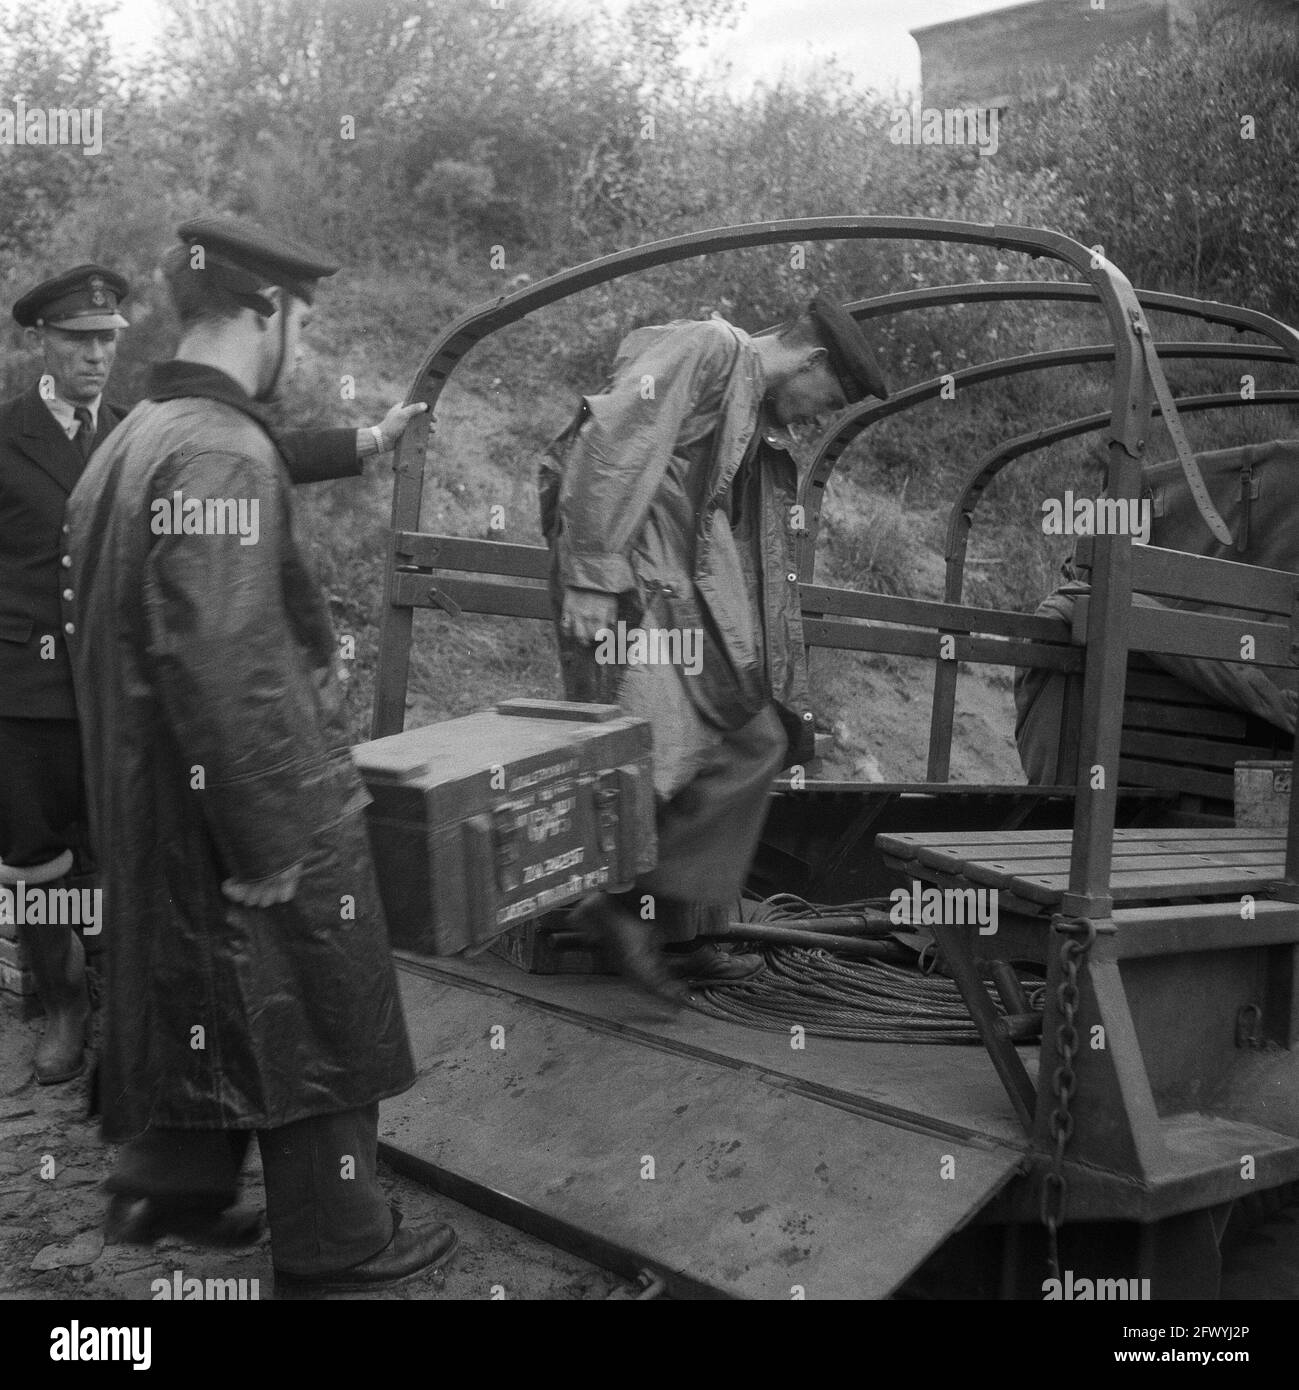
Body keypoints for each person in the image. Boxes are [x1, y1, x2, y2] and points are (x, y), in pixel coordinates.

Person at [65, 217, 455, 1293]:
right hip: (239, 795)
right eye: (307, 321)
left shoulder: (137, 434)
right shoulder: (217, 450)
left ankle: (166, 1182)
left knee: (202, 995)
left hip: (156, 799)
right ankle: (339, 1243)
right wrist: (273, 832)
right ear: (264, 313)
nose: (309, 344)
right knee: (316, 1001)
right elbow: (227, 657)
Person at [0, 264, 424, 1087]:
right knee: (40, 861)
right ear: (40, 342)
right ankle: (61, 1007)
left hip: (116, 695)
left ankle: (123, 1009)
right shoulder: (4, 434)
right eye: (77, 341)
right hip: (28, 693)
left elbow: (260, 455)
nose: (93, 357)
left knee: (122, 852)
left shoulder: (135, 427)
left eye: (105, 341)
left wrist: (369, 439)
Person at [540, 293, 888, 1000]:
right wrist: (591, 573)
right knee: (646, 751)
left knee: (755, 740)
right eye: (825, 400)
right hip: (632, 582)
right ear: (812, 359)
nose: (814, 416)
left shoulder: (745, 401)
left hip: (681, 591)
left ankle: (651, 918)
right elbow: (609, 441)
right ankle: (602, 912)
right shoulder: (707, 347)